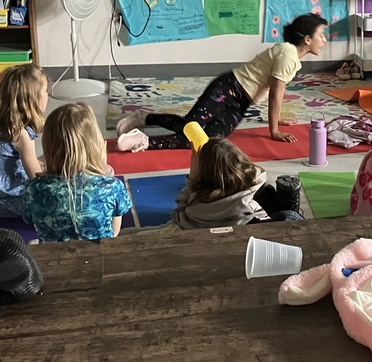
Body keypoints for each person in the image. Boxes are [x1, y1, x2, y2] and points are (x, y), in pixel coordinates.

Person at [116, 13, 329, 150]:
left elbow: (273, 91)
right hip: (228, 89)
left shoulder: (291, 57)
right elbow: (276, 92)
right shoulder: (288, 53)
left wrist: (277, 119)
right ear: (307, 39)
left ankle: (145, 121)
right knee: (191, 130)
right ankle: (142, 138)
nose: (325, 40)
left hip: (241, 102)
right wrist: (274, 130)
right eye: (321, 35)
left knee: (207, 140)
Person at [23, 103, 132, 243]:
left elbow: (30, 219)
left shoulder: (33, 188)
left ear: (48, 148)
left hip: (53, 258)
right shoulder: (112, 186)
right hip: (101, 257)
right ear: (97, 144)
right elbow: (114, 232)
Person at [171, 138, 303, 229]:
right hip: (252, 226)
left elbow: (179, 212)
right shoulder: (252, 198)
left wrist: (192, 177)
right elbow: (255, 176)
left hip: (227, 231)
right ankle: (288, 209)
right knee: (282, 213)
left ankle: (287, 210)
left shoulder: (195, 208)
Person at [0, 63, 48, 219]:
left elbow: (28, 162)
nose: (48, 94)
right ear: (33, 99)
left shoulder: (2, 124)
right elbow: (37, 178)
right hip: (6, 202)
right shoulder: (20, 135)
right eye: (45, 91)